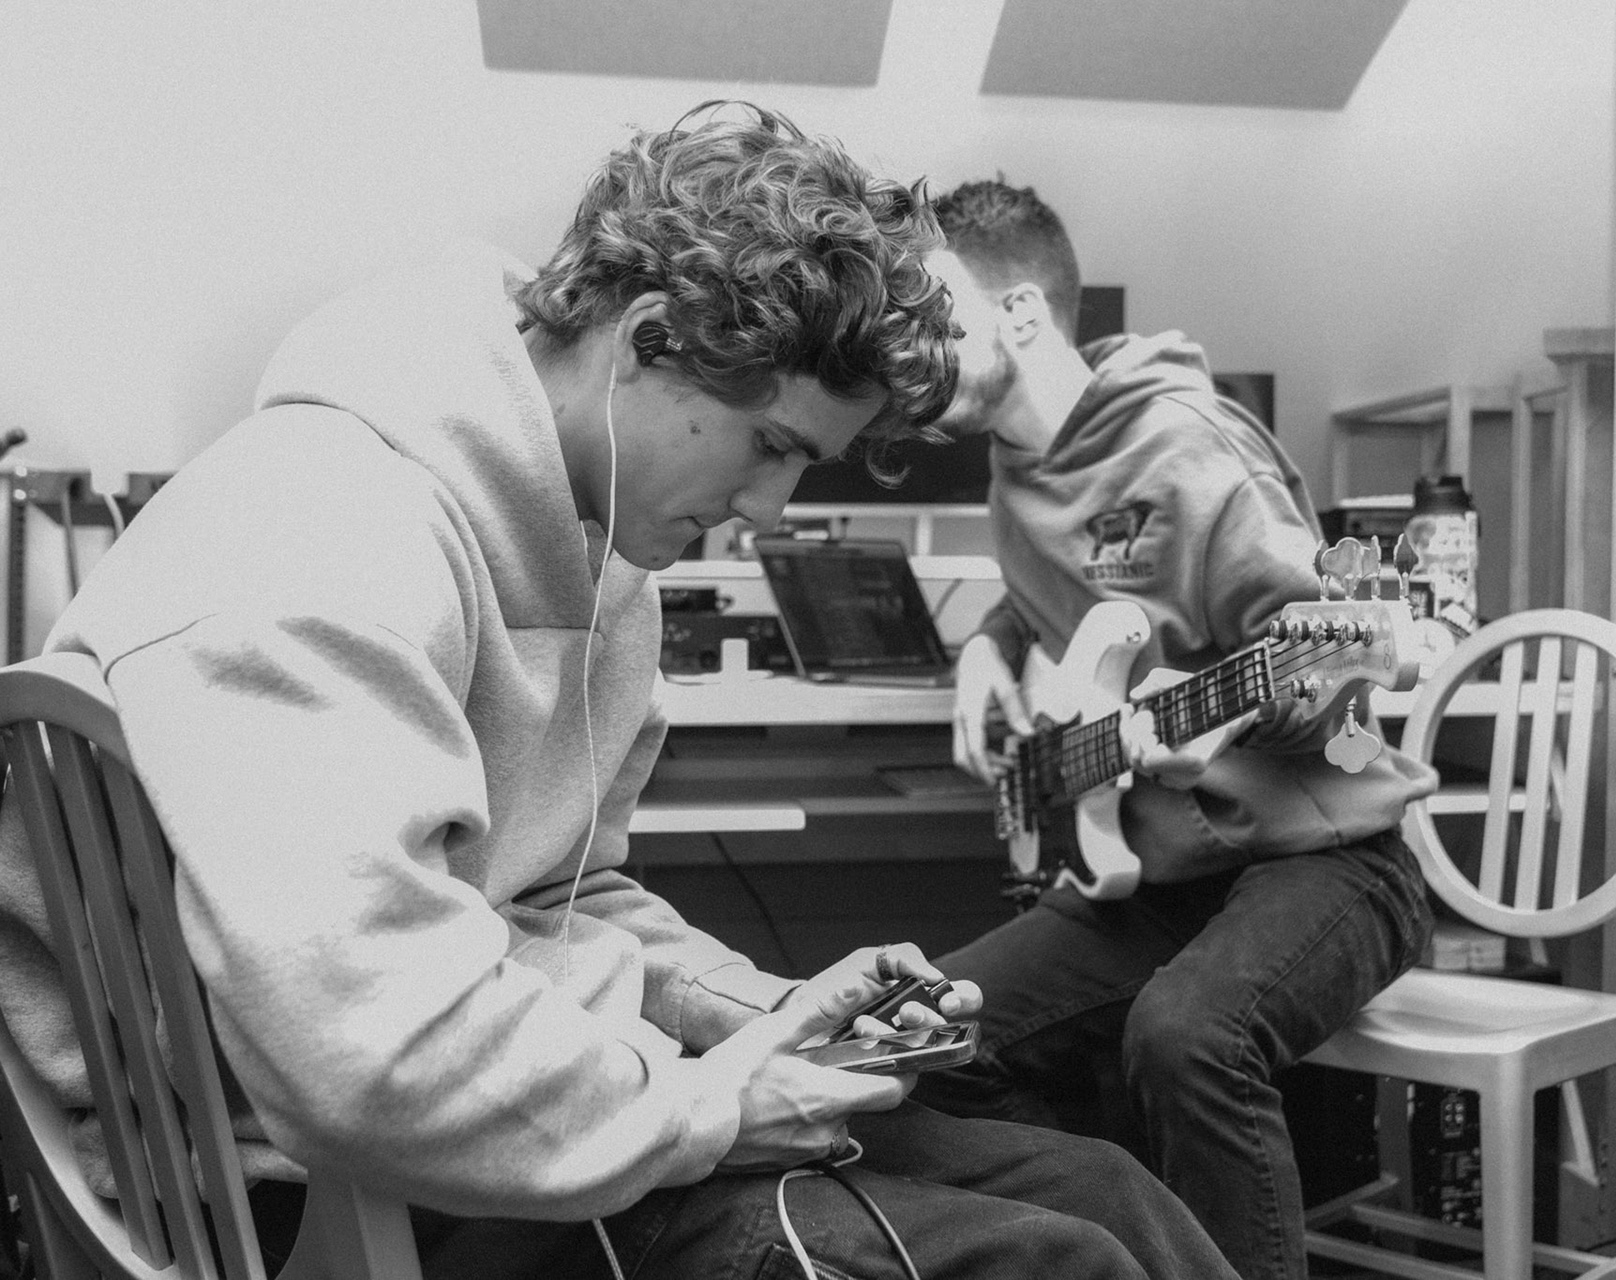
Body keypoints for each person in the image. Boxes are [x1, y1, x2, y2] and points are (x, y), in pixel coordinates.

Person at [0, 106, 1240, 1280]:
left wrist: (760, 1009)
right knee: (1051, 1258)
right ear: (651, 336)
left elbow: (552, 898)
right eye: (773, 445)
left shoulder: (605, 555)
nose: (770, 512)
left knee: (1100, 1188)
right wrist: (711, 1104)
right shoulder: (315, 532)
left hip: (484, 1118)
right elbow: (365, 1046)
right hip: (305, 1189)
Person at [910, 178, 1440, 1280]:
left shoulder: (1187, 446)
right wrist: (987, 648)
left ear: (1019, 314)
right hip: (1157, 874)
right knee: (931, 1037)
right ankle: (1117, 1253)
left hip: (1327, 859)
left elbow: (1345, 663)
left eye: (935, 315)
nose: (911, 347)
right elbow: (1071, 600)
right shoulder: (1015, 471)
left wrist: (1238, 715)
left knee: (1186, 1035)